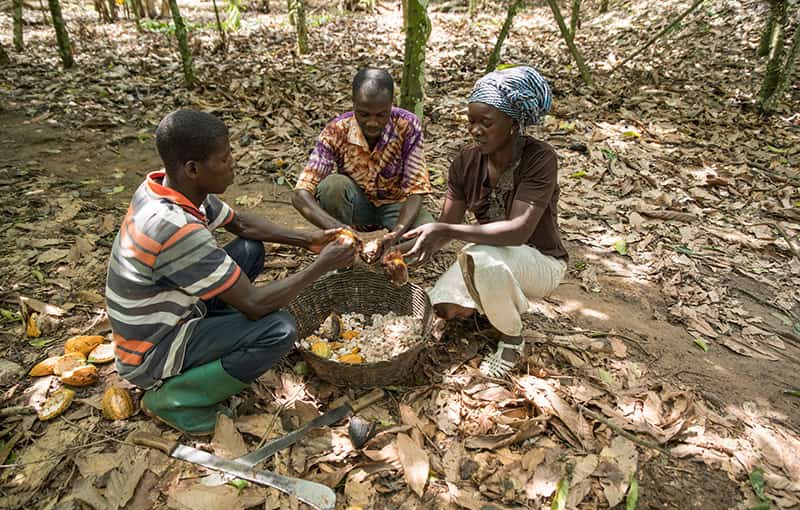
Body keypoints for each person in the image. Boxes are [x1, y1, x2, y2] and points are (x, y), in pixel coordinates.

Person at [105, 109, 357, 435]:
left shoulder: (165, 188)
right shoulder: (176, 227)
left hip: (169, 315)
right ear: (193, 169)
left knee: (250, 250)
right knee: (279, 329)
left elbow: (241, 224)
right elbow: (254, 303)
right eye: (224, 159)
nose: (233, 162)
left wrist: (309, 240)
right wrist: (324, 264)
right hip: (150, 351)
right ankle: (176, 398)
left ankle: (215, 337)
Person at [399, 66, 568, 378]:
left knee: (481, 258)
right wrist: (397, 249)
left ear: (514, 124)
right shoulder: (466, 162)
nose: (475, 130)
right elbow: (446, 225)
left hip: (540, 263)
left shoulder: (540, 159)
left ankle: (512, 340)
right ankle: (491, 304)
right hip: (487, 254)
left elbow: (518, 231)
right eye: (471, 122)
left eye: (486, 123)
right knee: (445, 310)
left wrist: (446, 230)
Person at [292, 67, 434, 251]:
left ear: (392, 104)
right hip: (356, 207)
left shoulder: (408, 125)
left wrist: (395, 234)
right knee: (333, 185)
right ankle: (342, 250)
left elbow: (416, 190)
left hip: (395, 206)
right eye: (364, 114)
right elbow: (300, 195)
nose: (372, 122)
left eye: (381, 115)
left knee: (428, 235)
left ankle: (390, 254)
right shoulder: (336, 130)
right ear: (354, 105)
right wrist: (341, 231)